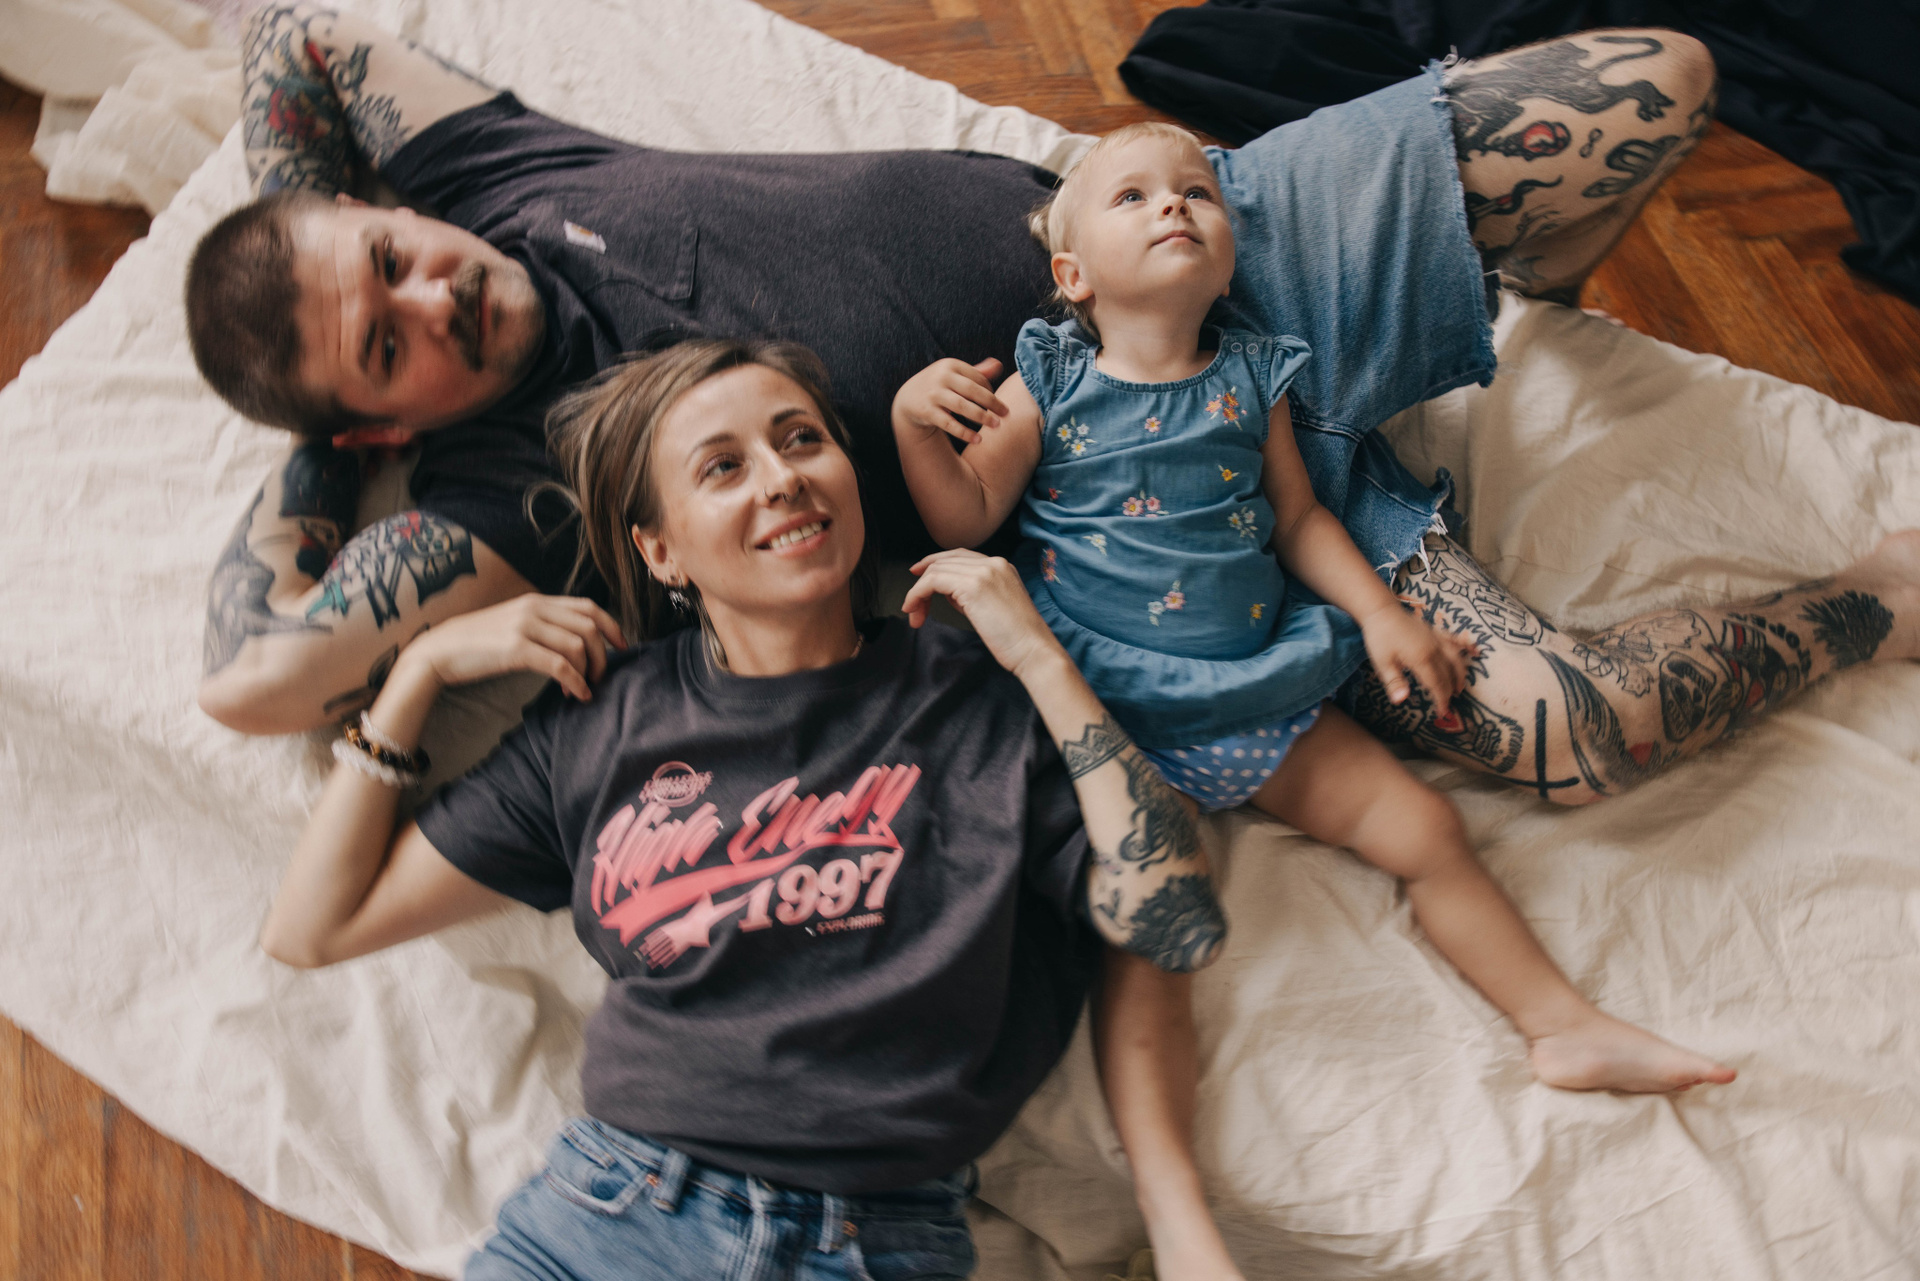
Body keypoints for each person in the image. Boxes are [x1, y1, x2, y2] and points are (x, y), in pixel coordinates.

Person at [186, 3, 1724, 770]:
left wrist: (305, 252)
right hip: (1170, 539)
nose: (434, 293)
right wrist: (327, 454)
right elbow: (252, 682)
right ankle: (1851, 600)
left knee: (1653, 83)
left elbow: (289, 34)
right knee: (1580, 727)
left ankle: (1509, 287)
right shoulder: (499, 494)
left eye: (387, 255)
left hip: (1185, 255)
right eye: (384, 344)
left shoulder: (483, 174)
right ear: (377, 419)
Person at [257, 337, 1249, 1280]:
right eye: (722, 467)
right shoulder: (600, 724)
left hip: (873, 1243)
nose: (781, 479)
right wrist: (419, 672)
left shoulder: (981, 698)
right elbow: (312, 926)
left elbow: (1174, 922)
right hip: (608, 1221)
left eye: (801, 439)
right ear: (661, 551)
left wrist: (1037, 658)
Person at [893, 120, 1738, 1094]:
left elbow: (1297, 519)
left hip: (1248, 691)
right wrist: (914, 425)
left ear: (1227, 260)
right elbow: (965, 513)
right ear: (1074, 276)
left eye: (1197, 193)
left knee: (1425, 830)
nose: (1174, 205)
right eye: (1134, 196)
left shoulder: (1253, 376)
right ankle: (1161, 1157)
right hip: (1097, 704)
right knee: (1148, 925)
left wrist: (1381, 615)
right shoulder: (1051, 379)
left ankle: (1563, 1026)